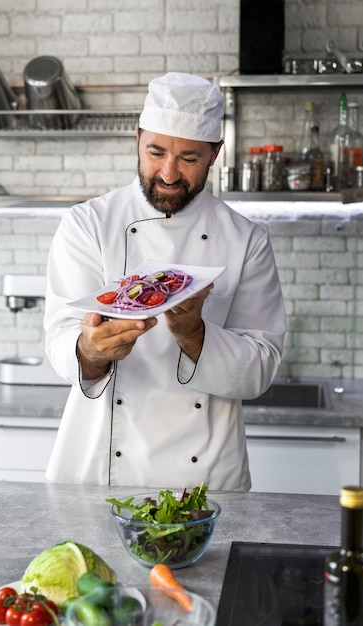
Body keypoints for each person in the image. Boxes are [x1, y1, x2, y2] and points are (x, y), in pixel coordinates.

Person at [44, 72, 286, 490]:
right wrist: (90, 350)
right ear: (136, 137)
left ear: (215, 153)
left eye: (189, 159)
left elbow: (260, 370)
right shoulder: (88, 224)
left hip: (205, 476)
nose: (169, 174)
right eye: (155, 152)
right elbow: (60, 339)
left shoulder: (246, 241)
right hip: (102, 468)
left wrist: (194, 333)